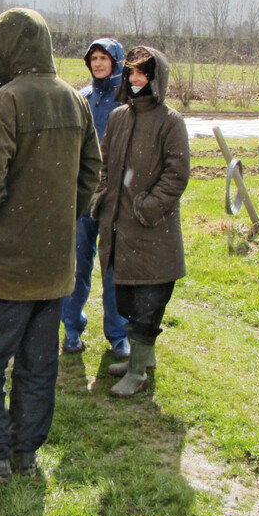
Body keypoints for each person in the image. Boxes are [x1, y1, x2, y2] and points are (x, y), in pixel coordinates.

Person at [0, 8, 101, 485]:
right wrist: (57, 219)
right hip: (53, 267)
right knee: (36, 366)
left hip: (5, 268)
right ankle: (23, 454)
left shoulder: (9, 101)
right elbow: (92, 172)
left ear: (10, 50)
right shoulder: (75, 100)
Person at [92, 46, 190, 398]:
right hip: (119, 229)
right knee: (127, 301)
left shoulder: (170, 121)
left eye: (143, 74)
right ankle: (142, 360)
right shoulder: (119, 117)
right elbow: (105, 165)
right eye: (132, 73)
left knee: (149, 303)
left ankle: (138, 370)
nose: (136, 80)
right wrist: (102, 197)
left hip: (153, 233)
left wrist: (147, 206)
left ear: (156, 78)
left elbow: (177, 175)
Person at [61, 38, 130, 357]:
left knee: (113, 268)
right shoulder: (81, 98)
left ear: (116, 63)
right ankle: (72, 328)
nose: (99, 63)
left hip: (115, 199)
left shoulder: (127, 101)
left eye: (105, 58)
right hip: (81, 196)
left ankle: (118, 334)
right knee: (77, 265)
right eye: (94, 58)